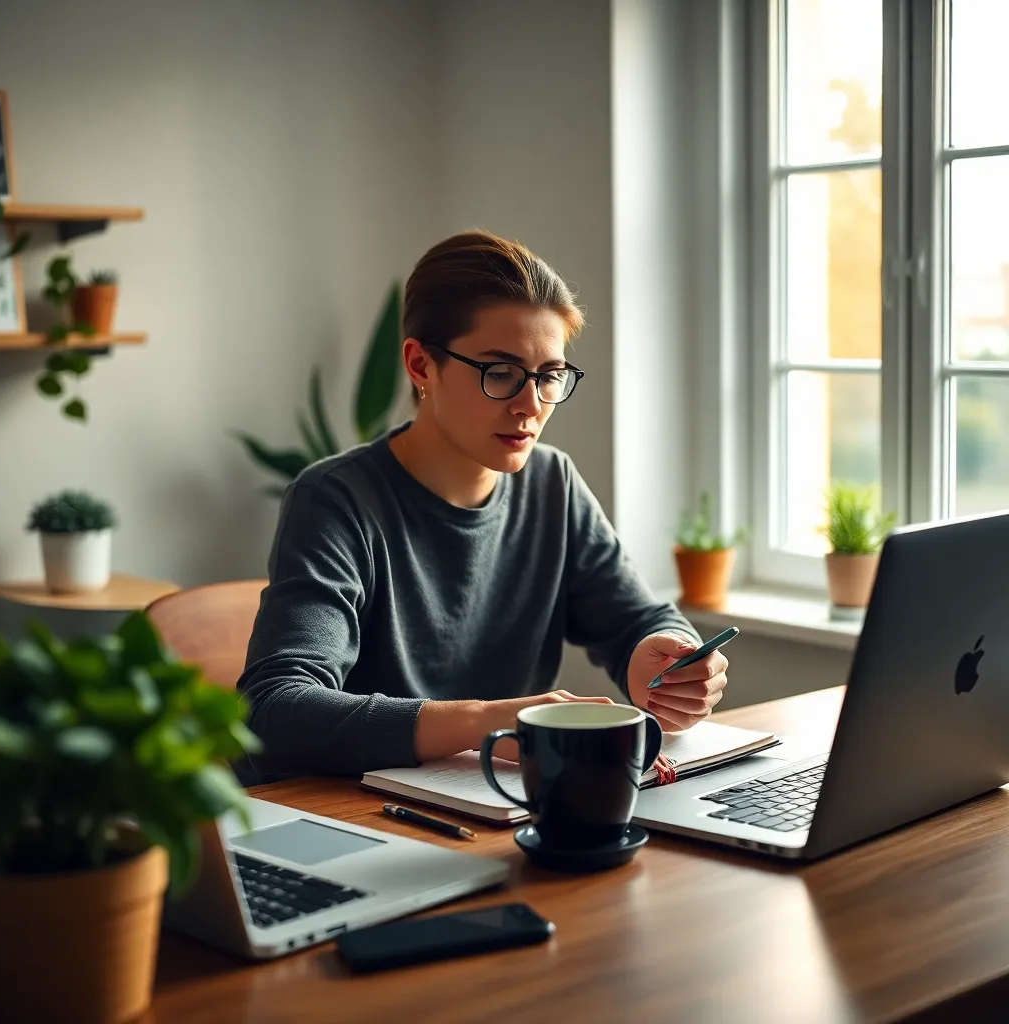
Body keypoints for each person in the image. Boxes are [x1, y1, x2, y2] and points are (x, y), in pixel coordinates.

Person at [237, 230, 729, 783]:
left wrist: (667, 658)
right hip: (350, 809)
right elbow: (275, 709)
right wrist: (487, 723)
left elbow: (638, 619)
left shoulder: (553, 483)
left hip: (494, 803)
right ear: (420, 365)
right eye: (500, 373)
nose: (529, 406)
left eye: (549, 377)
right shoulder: (336, 500)